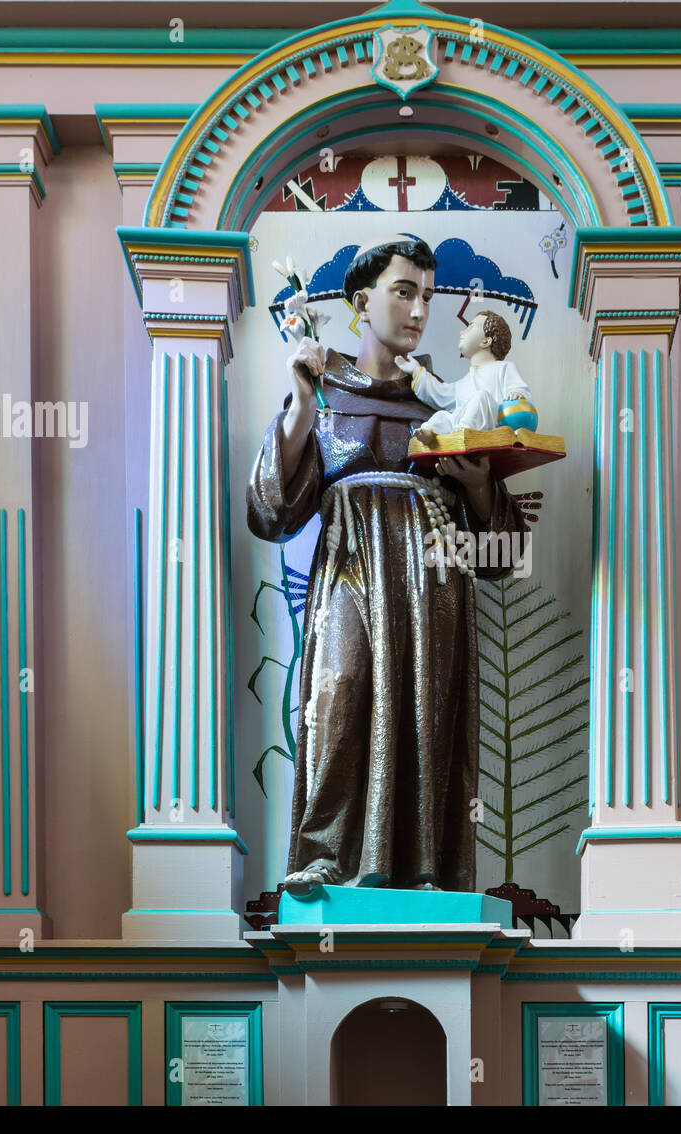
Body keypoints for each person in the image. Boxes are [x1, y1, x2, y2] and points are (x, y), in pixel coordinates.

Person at [246, 235, 528, 894]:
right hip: (349, 571)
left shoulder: (451, 404)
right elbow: (269, 513)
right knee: (337, 695)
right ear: (360, 300)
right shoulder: (322, 389)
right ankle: (327, 862)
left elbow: (507, 557)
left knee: (427, 716)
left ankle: (426, 874)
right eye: (404, 291)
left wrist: (482, 487)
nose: (419, 310)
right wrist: (298, 407)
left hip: (434, 585)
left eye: (428, 296)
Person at [394, 310, 532, 438]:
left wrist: (516, 393)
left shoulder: (504, 368)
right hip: (460, 425)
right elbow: (440, 393)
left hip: (492, 428)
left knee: (481, 397)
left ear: (486, 341)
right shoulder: (465, 382)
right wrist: (416, 371)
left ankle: (462, 433)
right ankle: (429, 434)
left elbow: (518, 389)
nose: (462, 332)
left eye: (470, 326)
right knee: (443, 416)